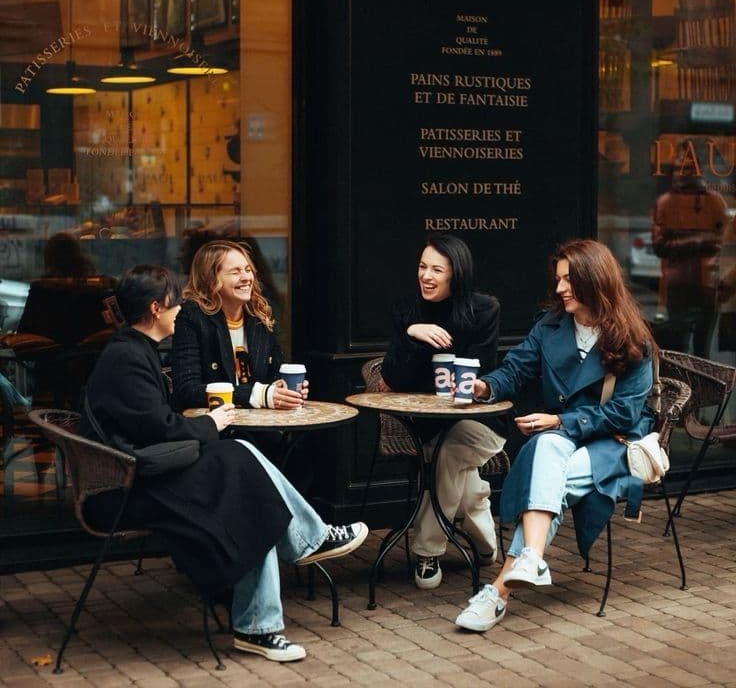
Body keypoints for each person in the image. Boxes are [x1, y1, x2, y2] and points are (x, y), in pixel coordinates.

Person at [79, 264, 368, 663]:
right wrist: (210, 424)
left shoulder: (132, 350)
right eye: (175, 302)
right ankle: (282, 586)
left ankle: (280, 591)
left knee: (245, 467)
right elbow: (160, 430)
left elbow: (155, 428)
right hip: (128, 486)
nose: (180, 309)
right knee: (246, 486)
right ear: (156, 308)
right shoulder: (126, 358)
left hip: (145, 472)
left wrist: (206, 427)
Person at [454, 239, 656, 634]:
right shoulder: (550, 327)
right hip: (562, 439)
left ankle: (498, 591)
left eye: (570, 280)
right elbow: (514, 369)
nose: (560, 288)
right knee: (548, 453)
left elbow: (625, 413)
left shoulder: (633, 339)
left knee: (548, 472)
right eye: (559, 279)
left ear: (595, 281)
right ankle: (530, 558)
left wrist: (560, 421)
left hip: (613, 445)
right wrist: (483, 387)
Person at [381, 233, 505, 590]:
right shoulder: (408, 310)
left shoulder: (484, 309)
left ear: (457, 274)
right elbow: (393, 378)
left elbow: (481, 373)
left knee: (449, 451)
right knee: (458, 476)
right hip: (424, 426)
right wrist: (412, 333)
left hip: (478, 422)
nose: (426, 276)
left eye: (437, 269)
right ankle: (478, 515)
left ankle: (427, 551)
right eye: (422, 267)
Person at [171, 240, 303, 412]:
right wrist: (258, 394)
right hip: (218, 429)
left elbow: (274, 373)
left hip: (262, 425)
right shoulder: (192, 316)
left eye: (248, 270)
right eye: (235, 272)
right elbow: (187, 389)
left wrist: (283, 390)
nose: (247, 277)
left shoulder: (259, 314)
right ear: (211, 279)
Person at [651, 141, 728, 357]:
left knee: (701, 352)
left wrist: (685, 240)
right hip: (680, 287)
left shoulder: (713, 201)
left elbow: (724, 243)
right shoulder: (666, 203)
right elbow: (660, 246)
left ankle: (702, 391)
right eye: (679, 167)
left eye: (688, 167)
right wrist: (700, 241)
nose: (682, 172)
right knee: (679, 351)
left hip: (706, 286)